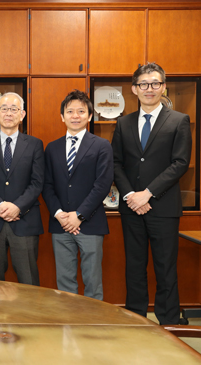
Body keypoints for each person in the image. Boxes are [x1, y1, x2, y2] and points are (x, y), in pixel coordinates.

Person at [112, 63, 192, 325]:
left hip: (164, 207)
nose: (150, 89)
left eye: (155, 83)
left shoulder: (179, 120)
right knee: (134, 267)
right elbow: (116, 163)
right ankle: (136, 319)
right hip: (131, 208)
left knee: (165, 268)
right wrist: (131, 196)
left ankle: (168, 320)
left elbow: (180, 163)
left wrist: (147, 193)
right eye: (144, 84)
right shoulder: (123, 123)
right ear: (135, 89)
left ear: (163, 87)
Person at [43, 90, 113, 299]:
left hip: (90, 223)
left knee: (92, 280)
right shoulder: (52, 148)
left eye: (81, 111)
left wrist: (79, 215)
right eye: (70, 111)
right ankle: (68, 326)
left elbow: (102, 185)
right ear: (62, 116)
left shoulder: (101, 146)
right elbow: (46, 185)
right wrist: (59, 214)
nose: (75, 115)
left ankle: (92, 329)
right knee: (64, 282)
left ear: (90, 116)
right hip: (61, 223)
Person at [0, 92, 44, 286]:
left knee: (28, 280)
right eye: (4, 109)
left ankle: (29, 318)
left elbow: (37, 182)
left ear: (22, 115)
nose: (8, 113)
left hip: (25, 221)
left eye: (13, 109)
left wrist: (17, 207)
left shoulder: (34, 145)